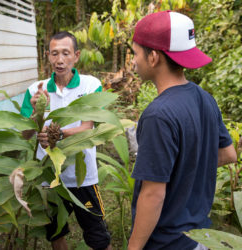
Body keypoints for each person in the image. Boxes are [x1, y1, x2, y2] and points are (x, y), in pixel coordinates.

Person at [128, 11, 237, 250]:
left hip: (168, 243)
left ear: (153, 57)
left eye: (135, 53)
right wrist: (187, 170)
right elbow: (229, 154)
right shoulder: (206, 99)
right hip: (199, 239)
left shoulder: (159, 115)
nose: (134, 61)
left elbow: (153, 195)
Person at [21, 31, 111, 250]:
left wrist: (57, 134)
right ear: (48, 56)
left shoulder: (90, 86)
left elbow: (88, 128)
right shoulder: (36, 90)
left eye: (65, 53)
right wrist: (35, 111)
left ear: (76, 55)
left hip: (82, 177)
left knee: (98, 235)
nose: (59, 60)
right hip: (49, 178)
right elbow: (25, 135)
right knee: (56, 234)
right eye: (54, 54)